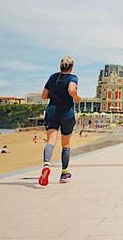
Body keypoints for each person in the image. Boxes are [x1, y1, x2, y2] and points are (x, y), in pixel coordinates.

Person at [38, 55, 81, 186]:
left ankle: (46, 165)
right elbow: (71, 89)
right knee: (66, 144)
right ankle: (64, 173)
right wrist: (76, 97)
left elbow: (44, 96)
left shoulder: (52, 77)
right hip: (66, 114)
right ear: (71, 67)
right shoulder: (72, 78)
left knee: (50, 141)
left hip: (52, 112)